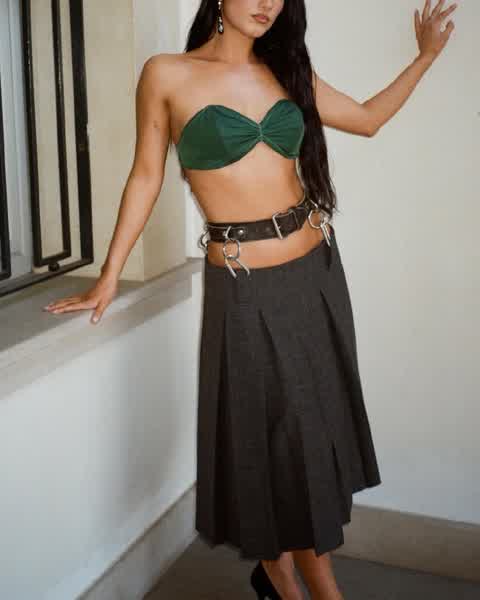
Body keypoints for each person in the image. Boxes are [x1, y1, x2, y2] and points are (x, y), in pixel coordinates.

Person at [44, 0, 457, 598]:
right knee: (280, 441)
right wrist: (109, 274)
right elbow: (146, 175)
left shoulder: (287, 68)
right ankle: (301, 583)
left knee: (312, 431)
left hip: (316, 275)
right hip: (245, 287)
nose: (267, 3)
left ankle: (277, 571)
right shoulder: (167, 74)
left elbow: (367, 119)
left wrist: (425, 57)